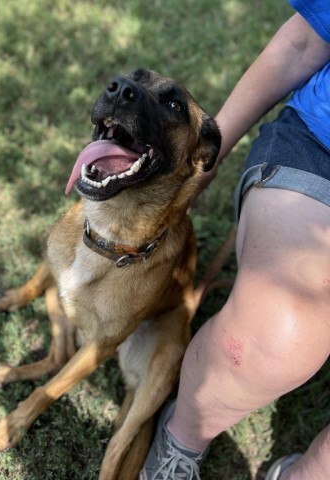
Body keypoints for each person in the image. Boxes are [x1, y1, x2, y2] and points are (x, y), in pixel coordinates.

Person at [140, 1, 330, 479]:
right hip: (320, 150)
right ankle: (181, 439)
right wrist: (208, 156)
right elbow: (302, 42)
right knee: (276, 329)